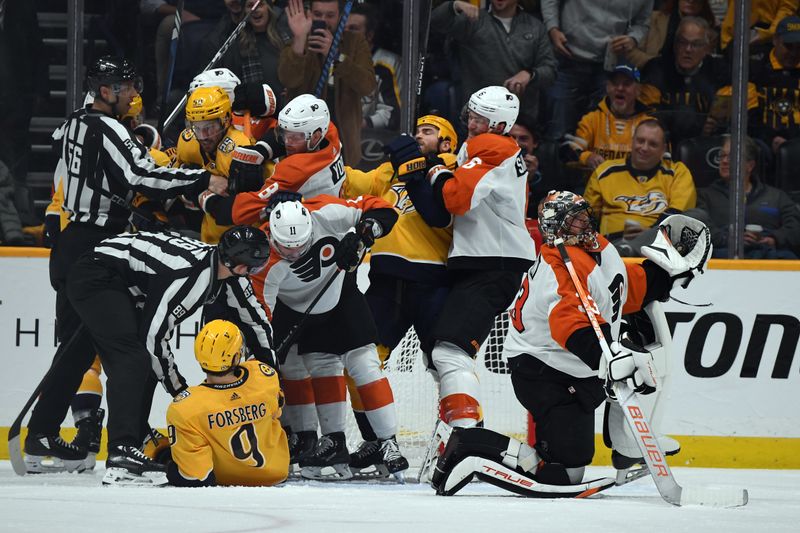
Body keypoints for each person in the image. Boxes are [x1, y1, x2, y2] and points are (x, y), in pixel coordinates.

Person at [430, 190, 712, 497]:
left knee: (579, 451)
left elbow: (621, 286)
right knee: (565, 473)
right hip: (543, 370)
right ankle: (469, 445)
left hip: (569, 367)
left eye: (580, 217)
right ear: (554, 230)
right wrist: (605, 356)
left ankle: (625, 443)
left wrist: (664, 276)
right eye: (569, 223)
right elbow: (568, 321)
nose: (578, 226)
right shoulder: (560, 266)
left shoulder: (598, 248)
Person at [22, 56, 226, 475]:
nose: (135, 95)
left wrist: (138, 146)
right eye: (127, 87)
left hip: (70, 240)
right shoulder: (108, 127)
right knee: (129, 351)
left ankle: (40, 434)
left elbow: (101, 168)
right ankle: (124, 446)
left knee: (75, 352)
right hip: (98, 249)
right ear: (105, 91)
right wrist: (200, 179)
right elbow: (140, 176)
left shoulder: (75, 123)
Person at [26, 225, 275, 486]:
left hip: (112, 273)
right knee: (133, 358)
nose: (253, 274)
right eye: (254, 268)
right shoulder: (189, 277)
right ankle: (122, 451)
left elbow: (257, 323)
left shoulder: (228, 276)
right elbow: (153, 340)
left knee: (78, 355)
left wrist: (272, 375)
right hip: (97, 274)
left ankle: (41, 436)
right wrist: (180, 391)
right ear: (236, 263)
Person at [390, 86, 536, 430]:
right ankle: (460, 430)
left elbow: (455, 199)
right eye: (471, 114)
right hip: (483, 262)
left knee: (449, 352)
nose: (472, 123)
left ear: (498, 124)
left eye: (480, 118)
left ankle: (467, 434)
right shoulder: (495, 147)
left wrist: (437, 172)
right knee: (438, 352)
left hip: (493, 264)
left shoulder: (492, 146)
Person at [251, 196, 406, 480]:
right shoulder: (263, 259)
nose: (295, 253)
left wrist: (364, 232)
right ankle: (333, 440)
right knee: (320, 366)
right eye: (287, 247)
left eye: (301, 245)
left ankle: (389, 443)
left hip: (341, 295)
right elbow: (263, 317)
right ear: (272, 236)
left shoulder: (325, 210)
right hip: (300, 313)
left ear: (310, 226)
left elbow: (384, 209)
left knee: (365, 364)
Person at [341, 114, 457, 475]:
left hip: (433, 282)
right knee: (359, 362)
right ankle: (376, 438)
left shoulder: (450, 167)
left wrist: (415, 166)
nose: (420, 135)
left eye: (429, 132)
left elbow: (440, 211)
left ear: (446, 143)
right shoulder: (389, 173)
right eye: (417, 130)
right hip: (386, 280)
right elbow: (349, 180)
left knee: (447, 366)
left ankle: (461, 442)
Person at [165, 319, 289, 486]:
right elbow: (277, 411)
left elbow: (197, 477)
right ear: (237, 355)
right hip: (276, 474)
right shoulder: (264, 376)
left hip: (228, 480)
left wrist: (170, 469)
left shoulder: (185, 407)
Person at [279, 0, 376, 166]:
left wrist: (337, 56)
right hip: (303, 139)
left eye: (330, 15)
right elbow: (288, 79)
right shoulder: (299, 40)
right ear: (310, 14)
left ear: (340, 16)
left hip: (344, 141)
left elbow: (367, 86)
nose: (324, 20)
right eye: (318, 14)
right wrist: (300, 40)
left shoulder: (355, 43)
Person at [173, 85, 274, 243]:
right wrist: (203, 184)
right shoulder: (188, 142)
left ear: (226, 120)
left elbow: (240, 209)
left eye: (209, 127)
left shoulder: (239, 150)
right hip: (207, 238)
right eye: (196, 127)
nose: (202, 136)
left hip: (246, 240)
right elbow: (174, 179)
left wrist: (197, 188)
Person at [540, 0, 653, 140]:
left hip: (609, 64)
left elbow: (642, 22)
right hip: (568, 57)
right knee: (558, 131)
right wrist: (552, 28)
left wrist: (633, 38)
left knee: (602, 136)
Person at [431, 0, 557, 125]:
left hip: (521, 119)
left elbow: (550, 70)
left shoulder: (535, 27)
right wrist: (454, 6)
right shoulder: (474, 20)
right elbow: (434, 23)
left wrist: (530, 74)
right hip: (478, 117)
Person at [583, 118, 697, 255]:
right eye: (640, 141)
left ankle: (633, 248)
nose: (644, 148)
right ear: (632, 141)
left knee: (698, 216)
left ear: (664, 149)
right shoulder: (605, 172)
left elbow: (678, 215)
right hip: (614, 246)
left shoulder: (677, 172)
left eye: (653, 144)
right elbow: (585, 219)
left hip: (662, 248)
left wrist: (650, 233)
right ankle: (628, 249)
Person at [232, 93, 346, 226]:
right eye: (284, 133)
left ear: (315, 137)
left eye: (295, 137)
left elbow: (239, 213)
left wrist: (206, 189)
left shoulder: (295, 169)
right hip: (335, 212)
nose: (287, 142)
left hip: (311, 230)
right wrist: (262, 149)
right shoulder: (330, 133)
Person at [696, 135, 800, 258]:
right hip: (724, 258)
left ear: (750, 166)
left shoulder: (777, 196)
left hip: (770, 259)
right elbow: (699, 227)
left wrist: (774, 239)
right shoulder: (705, 196)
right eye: (722, 156)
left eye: (732, 157)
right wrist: (729, 238)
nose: (724, 161)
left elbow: (795, 227)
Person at [639, 16, 728, 147]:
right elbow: (649, 115)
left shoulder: (719, 70)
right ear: (675, 45)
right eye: (683, 42)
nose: (688, 49)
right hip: (663, 142)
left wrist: (715, 123)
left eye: (696, 44)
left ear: (706, 49)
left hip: (707, 143)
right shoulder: (656, 69)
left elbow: (723, 112)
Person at [563, 63, 653, 170]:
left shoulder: (649, 124)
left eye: (627, 84)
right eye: (615, 83)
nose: (620, 88)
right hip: (595, 184)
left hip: (636, 185)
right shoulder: (592, 119)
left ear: (638, 90)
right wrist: (588, 157)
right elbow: (569, 150)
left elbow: (662, 159)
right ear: (607, 87)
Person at [344, 2, 402, 131]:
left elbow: (393, 113)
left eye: (353, 29)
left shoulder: (387, 64)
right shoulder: (333, 61)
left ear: (369, 35)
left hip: (373, 139)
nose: (345, 34)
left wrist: (363, 124)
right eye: (343, 28)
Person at [748, 15, 800, 155]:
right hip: (763, 145)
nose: (794, 53)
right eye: (788, 46)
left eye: (799, 47)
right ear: (775, 40)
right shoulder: (755, 71)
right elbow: (750, 117)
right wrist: (771, 139)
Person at [626, 0, 717, 68]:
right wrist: (655, 64)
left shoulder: (710, 31)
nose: (691, 0)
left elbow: (705, 63)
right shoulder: (652, 19)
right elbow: (630, 50)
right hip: (649, 78)